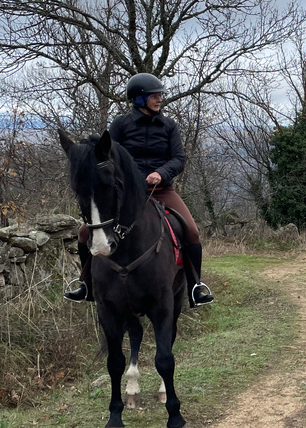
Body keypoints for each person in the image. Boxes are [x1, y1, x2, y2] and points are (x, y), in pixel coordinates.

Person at [65, 73, 214, 307]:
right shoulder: (121, 125)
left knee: (192, 232)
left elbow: (178, 158)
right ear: (139, 99)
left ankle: (196, 287)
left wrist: (161, 174)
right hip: (127, 195)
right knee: (85, 232)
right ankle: (86, 284)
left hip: (161, 190)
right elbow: (108, 156)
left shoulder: (168, 126)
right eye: (153, 95)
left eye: (160, 95)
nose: (159, 99)